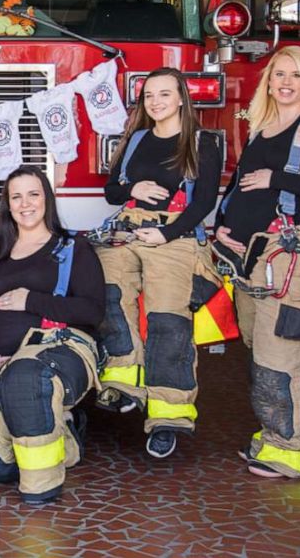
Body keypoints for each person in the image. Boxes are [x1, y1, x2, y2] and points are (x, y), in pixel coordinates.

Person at [214, 46, 300, 479]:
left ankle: (295, 450)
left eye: (294, 75)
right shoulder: (263, 127)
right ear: (268, 81)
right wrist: (223, 224)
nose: (285, 82)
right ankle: (274, 437)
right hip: (253, 259)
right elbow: (238, 183)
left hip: (294, 263)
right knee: (263, 356)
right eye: (278, 75)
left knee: (285, 359)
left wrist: (278, 178)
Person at [0, 166, 105, 505]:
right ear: (7, 204)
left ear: (47, 199)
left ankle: (41, 487)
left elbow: (93, 312)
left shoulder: (72, 249)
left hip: (57, 351)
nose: (25, 204)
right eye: (16, 197)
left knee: (25, 377)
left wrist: (31, 300)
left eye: (33, 194)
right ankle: (61, 434)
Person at [92, 67, 222, 458]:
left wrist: (166, 234)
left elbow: (204, 203)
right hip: (130, 230)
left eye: (164, 94)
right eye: (149, 96)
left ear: (182, 97)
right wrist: (132, 187)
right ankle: (124, 384)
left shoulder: (202, 142)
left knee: (168, 321)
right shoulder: (137, 140)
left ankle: (169, 415)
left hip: (174, 236)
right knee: (108, 295)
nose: (156, 102)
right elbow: (112, 191)